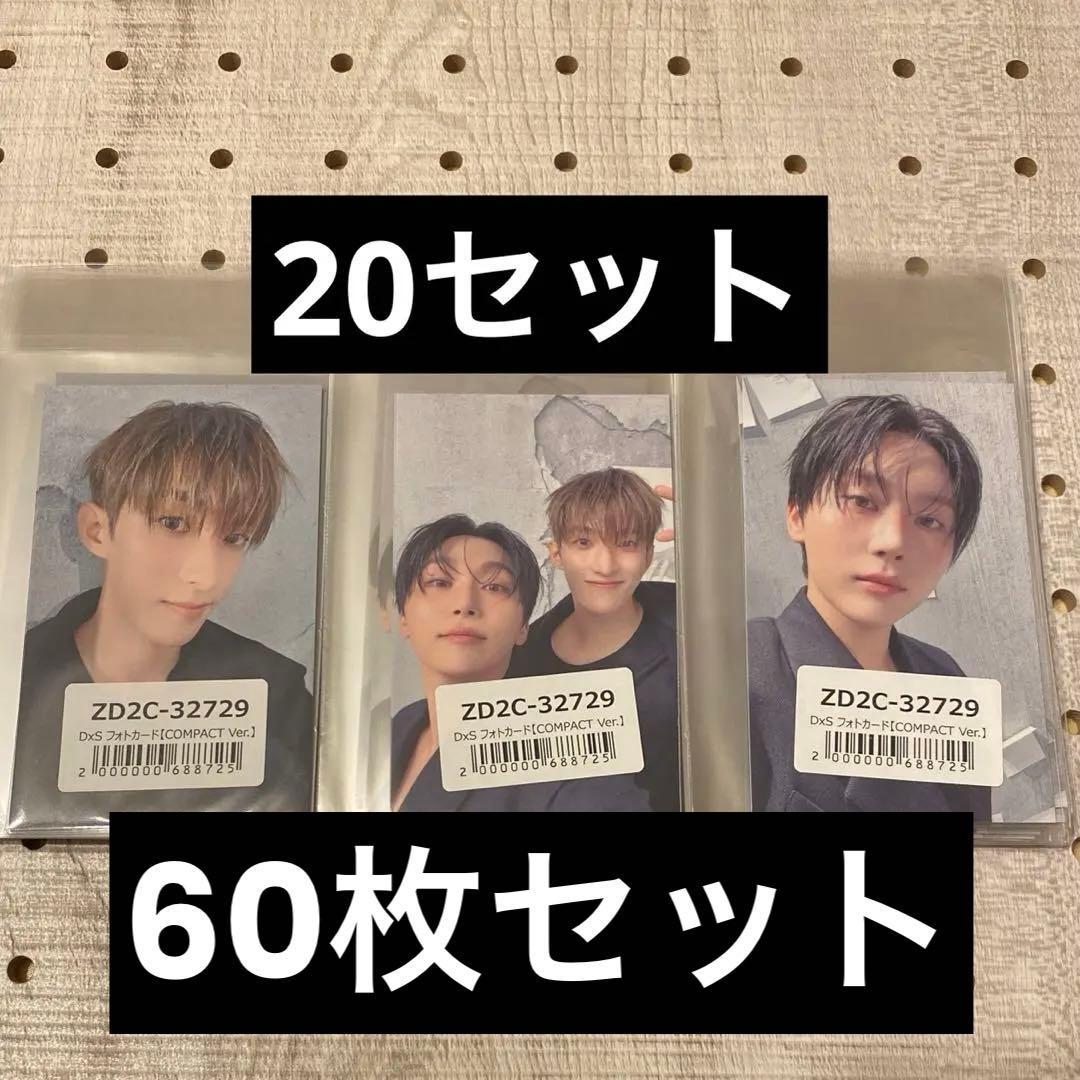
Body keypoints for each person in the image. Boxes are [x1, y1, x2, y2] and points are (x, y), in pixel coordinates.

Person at [9, 401, 315, 832]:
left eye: (234, 537)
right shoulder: (14, 686)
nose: (205, 576)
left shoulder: (278, 701)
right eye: (173, 523)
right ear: (97, 530)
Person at [748, 394, 991, 817]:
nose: (893, 541)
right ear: (797, 514)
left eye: (929, 520)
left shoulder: (944, 678)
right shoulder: (739, 668)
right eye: (862, 501)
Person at [391, 513, 650, 811]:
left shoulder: (569, 758)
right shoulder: (398, 727)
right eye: (439, 581)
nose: (464, 604)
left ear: (523, 626)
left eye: (495, 587)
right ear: (403, 616)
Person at [506, 468, 679, 811]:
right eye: (584, 543)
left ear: (648, 554)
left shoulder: (690, 625)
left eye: (626, 543)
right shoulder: (522, 660)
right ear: (556, 552)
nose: (605, 565)